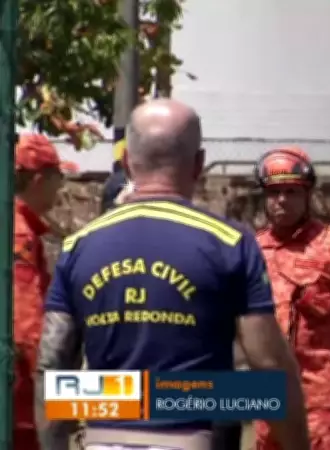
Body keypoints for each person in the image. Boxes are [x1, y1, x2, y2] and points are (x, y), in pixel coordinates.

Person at [34, 98, 310, 450]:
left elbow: (53, 363)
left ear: (126, 163)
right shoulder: (229, 243)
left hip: (104, 439)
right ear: (199, 163)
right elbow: (268, 364)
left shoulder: (78, 246)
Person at [252, 147, 330, 450]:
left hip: (322, 394)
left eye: (292, 192)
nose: (282, 200)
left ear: (307, 195)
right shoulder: (251, 251)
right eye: (274, 192)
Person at [13, 134, 73, 450]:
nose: (60, 187)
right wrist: (51, 390)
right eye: (57, 177)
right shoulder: (18, 233)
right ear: (39, 180)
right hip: (18, 392)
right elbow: (25, 324)